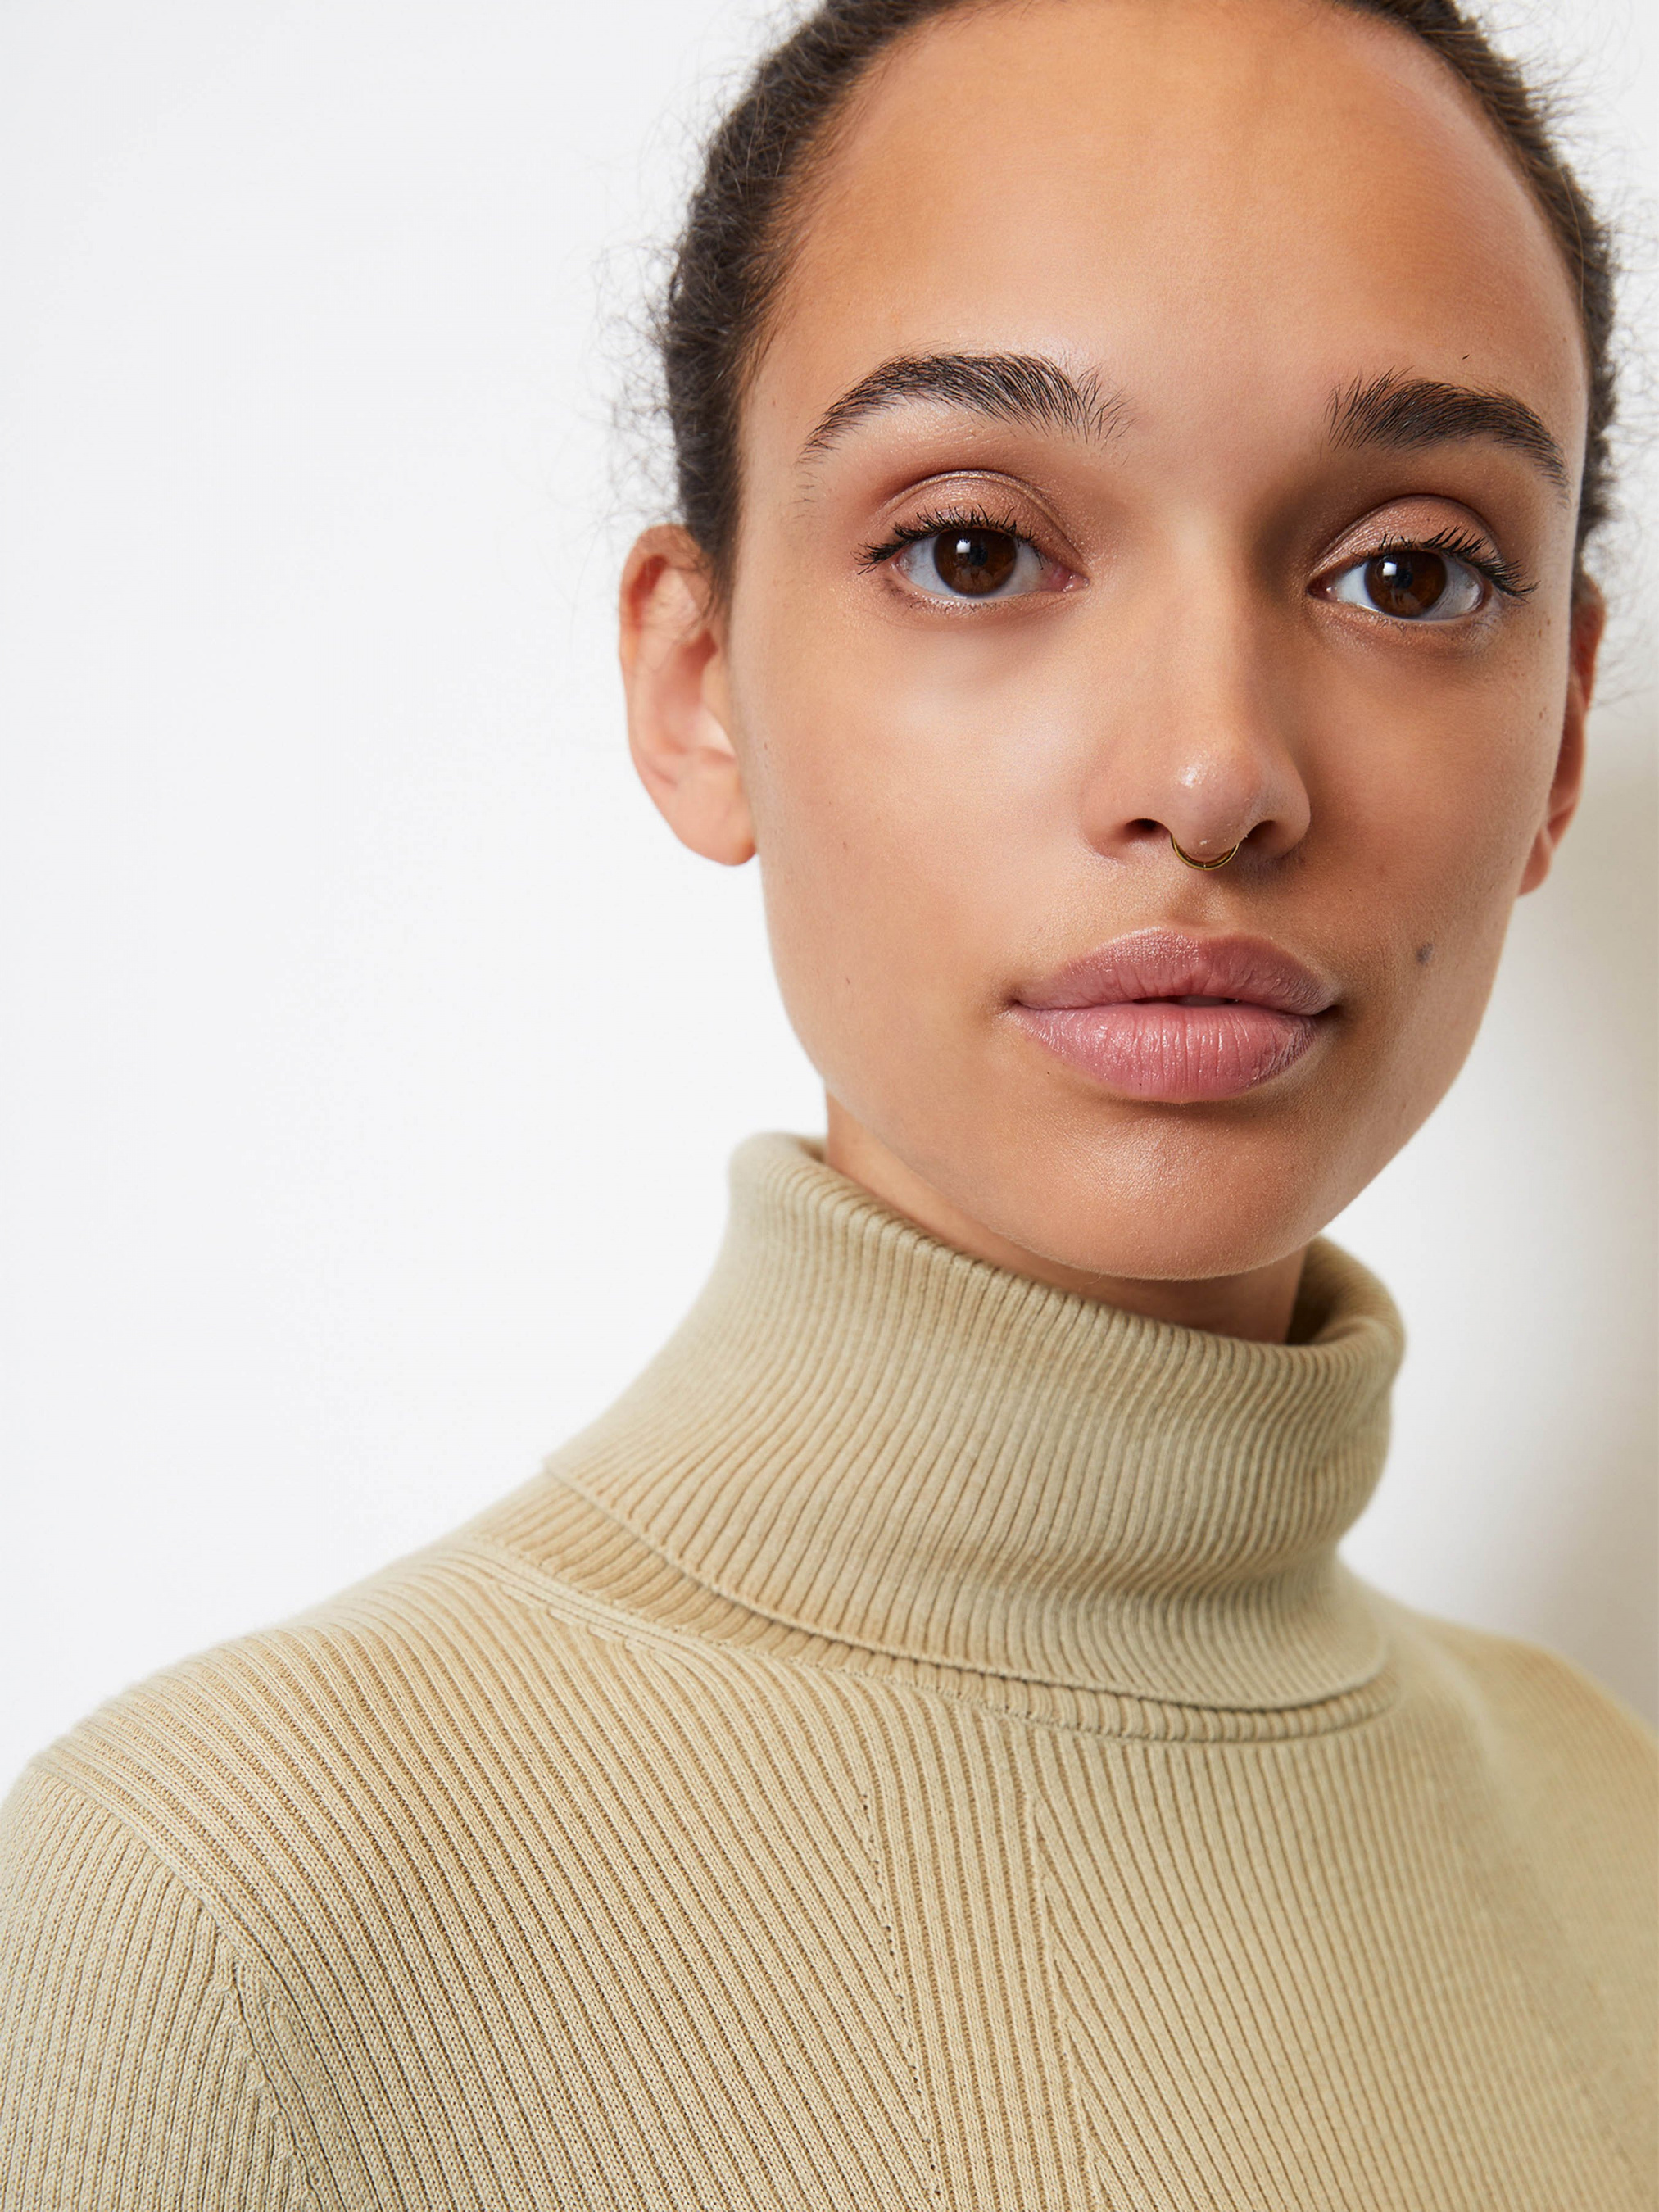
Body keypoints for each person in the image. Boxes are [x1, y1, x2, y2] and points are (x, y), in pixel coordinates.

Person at [2, 0, 1652, 2204]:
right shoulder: (224, 1915)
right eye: (974, 549)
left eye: (1411, 573)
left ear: (1559, 733)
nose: (1211, 770)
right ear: (696, 682)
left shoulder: (1615, 1839)